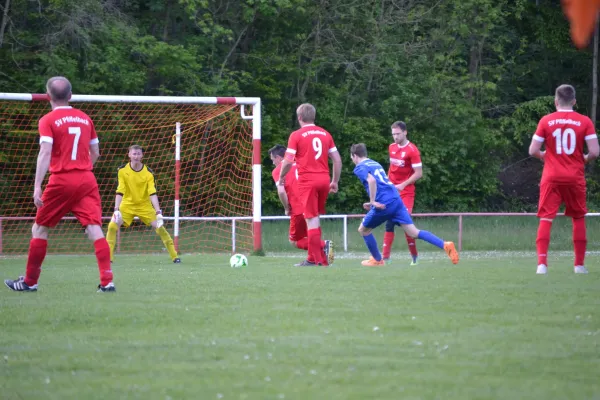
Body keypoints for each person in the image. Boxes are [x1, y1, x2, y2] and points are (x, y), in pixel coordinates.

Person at [4, 76, 114, 292]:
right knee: (94, 228)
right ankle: (107, 281)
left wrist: (37, 185)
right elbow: (96, 153)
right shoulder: (85, 118)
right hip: (86, 178)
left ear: (48, 96)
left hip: (61, 179)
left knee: (40, 228)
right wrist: (82, 168)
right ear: (71, 96)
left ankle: (29, 281)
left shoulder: (47, 120)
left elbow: (45, 151)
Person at [350, 143, 459, 267]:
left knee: (363, 230)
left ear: (354, 156)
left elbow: (372, 180)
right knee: (414, 232)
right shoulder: (375, 163)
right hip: (396, 199)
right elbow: (382, 183)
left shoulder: (359, 167)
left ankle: (377, 260)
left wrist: (373, 201)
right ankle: (445, 245)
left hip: (384, 203)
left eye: (351, 157)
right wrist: (373, 201)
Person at [528, 84, 599, 275]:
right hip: (574, 176)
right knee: (578, 218)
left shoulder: (546, 120)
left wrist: (545, 156)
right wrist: (583, 159)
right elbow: (595, 151)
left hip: (551, 177)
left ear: (556, 102)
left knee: (545, 218)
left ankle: (542, 265)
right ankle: (579, 265)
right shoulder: (585, 121)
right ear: (574, 101)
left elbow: (532, 150)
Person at [278, 103, 342, 266]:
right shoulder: (325, 134)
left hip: (308, 181)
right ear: (313, 116)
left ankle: (316, 260)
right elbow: (337, 159)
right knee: (315, 219)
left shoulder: (296, 135)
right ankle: (316, 258)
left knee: (311, 220)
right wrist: (334, 181)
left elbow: (287, 161)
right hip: (324, 180)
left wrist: (281, 177)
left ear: (299, 117)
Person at [106, 145, 180, 264]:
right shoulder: (122, 170)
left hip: (145, 206)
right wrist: (116, 209)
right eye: (134, 154)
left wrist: (158, 212)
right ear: (129, 154)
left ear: (142, 156)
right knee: (112, 226)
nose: (136, 156)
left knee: (160, 228)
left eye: (138, 154)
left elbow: (152, 192)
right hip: (127, 205)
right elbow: (120, 190)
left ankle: (175, 257)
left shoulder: (148, 173)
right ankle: (108, 259)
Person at [269, 145, 332, 261]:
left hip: (298, 208)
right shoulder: (301, 163)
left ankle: (324, 245)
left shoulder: (279, 170)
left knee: (294, 241)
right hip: (312, 204)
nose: (273, 163)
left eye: (273, 160)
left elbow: (281, 192)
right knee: (310, 234)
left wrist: (286, 208)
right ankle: (318, 259)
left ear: (278, 158)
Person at [382, 121, 423, 265]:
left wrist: (403, 185)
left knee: (406, 224)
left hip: (406, 192)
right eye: (393, 134)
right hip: (393, 191)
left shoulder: (412, 150)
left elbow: (419, 173)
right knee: (389, 222)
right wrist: (387, 183)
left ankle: (414, 257)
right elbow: (392, 168)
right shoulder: (391, 147)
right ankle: (385, 258)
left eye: (398, 134)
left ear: (405, 132)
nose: (395, 137)